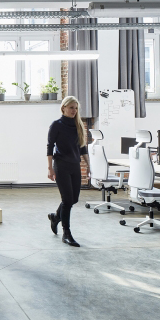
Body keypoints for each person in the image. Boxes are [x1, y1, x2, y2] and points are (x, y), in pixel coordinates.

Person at [46, 96, 90, 247]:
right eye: (71, 107)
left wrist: (88, 165)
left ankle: (55, 217)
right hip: (61, 165)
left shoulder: (78, 125)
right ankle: (67, 233)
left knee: (74, 199)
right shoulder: (56, 125)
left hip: (75, 165)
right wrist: (50, 168)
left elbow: (82, 148)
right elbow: (50, 147)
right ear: (63, 108)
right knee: (67, 200)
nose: (74, 111)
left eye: (76, 108)